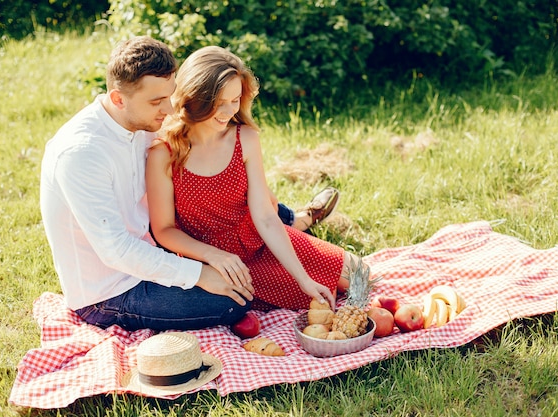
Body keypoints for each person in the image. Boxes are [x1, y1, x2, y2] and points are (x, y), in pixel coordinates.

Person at [39, 36, 338, 332]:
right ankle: (291, 220)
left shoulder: (142, 123)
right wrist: (199, 273)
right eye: (157, 102)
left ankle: (291, 218)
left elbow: (202, 164)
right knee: (233, 301)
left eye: (168, 97)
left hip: (156, 250)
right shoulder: (81, 154)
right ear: (118, 99)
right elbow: (116, 251)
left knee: (246, 215)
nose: (168, 110)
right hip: (112, 288)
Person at [146, 45, 360, 312]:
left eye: (234, 100)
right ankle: (302, 219)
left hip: (258, 240)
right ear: (194, 98)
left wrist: (303, 278)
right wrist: (212, 255)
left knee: (360, 274)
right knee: (309, 300)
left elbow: (266, 218)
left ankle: (300, 221)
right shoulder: (163, 153)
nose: (227, 112)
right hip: (215, 262)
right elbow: (164, 230)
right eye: (218, 103)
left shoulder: (244, 138)